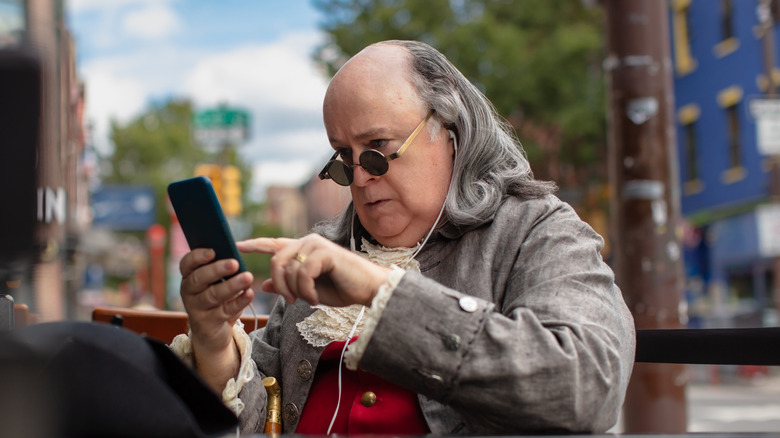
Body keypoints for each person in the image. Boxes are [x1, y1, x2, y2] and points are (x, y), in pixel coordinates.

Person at [172, 40, 635, 435]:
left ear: (449, 130)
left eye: (378, 150)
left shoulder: (535, 232)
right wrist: (213, 337)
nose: (358, 177)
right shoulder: (325, 247)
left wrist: (380, 292)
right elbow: (261, 423)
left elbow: (585, 387)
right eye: (341, 156)